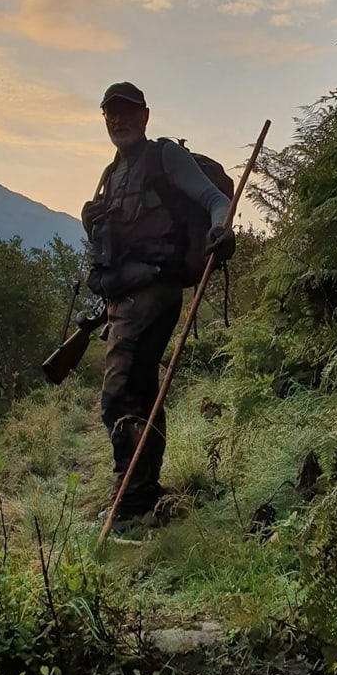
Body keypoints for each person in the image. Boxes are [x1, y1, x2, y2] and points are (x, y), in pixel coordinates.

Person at [81, 82, 235, 524]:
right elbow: (120, 240)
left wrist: (220, 232)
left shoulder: (164, 156)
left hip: (154, 291)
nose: (119, 119)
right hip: (123, 297)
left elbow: (216, 199)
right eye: (111, 113)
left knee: (120, 394)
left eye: (128, 112)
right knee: (142, 392)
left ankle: (129, 504)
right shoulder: (113, 174)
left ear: (146, 116)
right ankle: (143, 494)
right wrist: (91, 226)